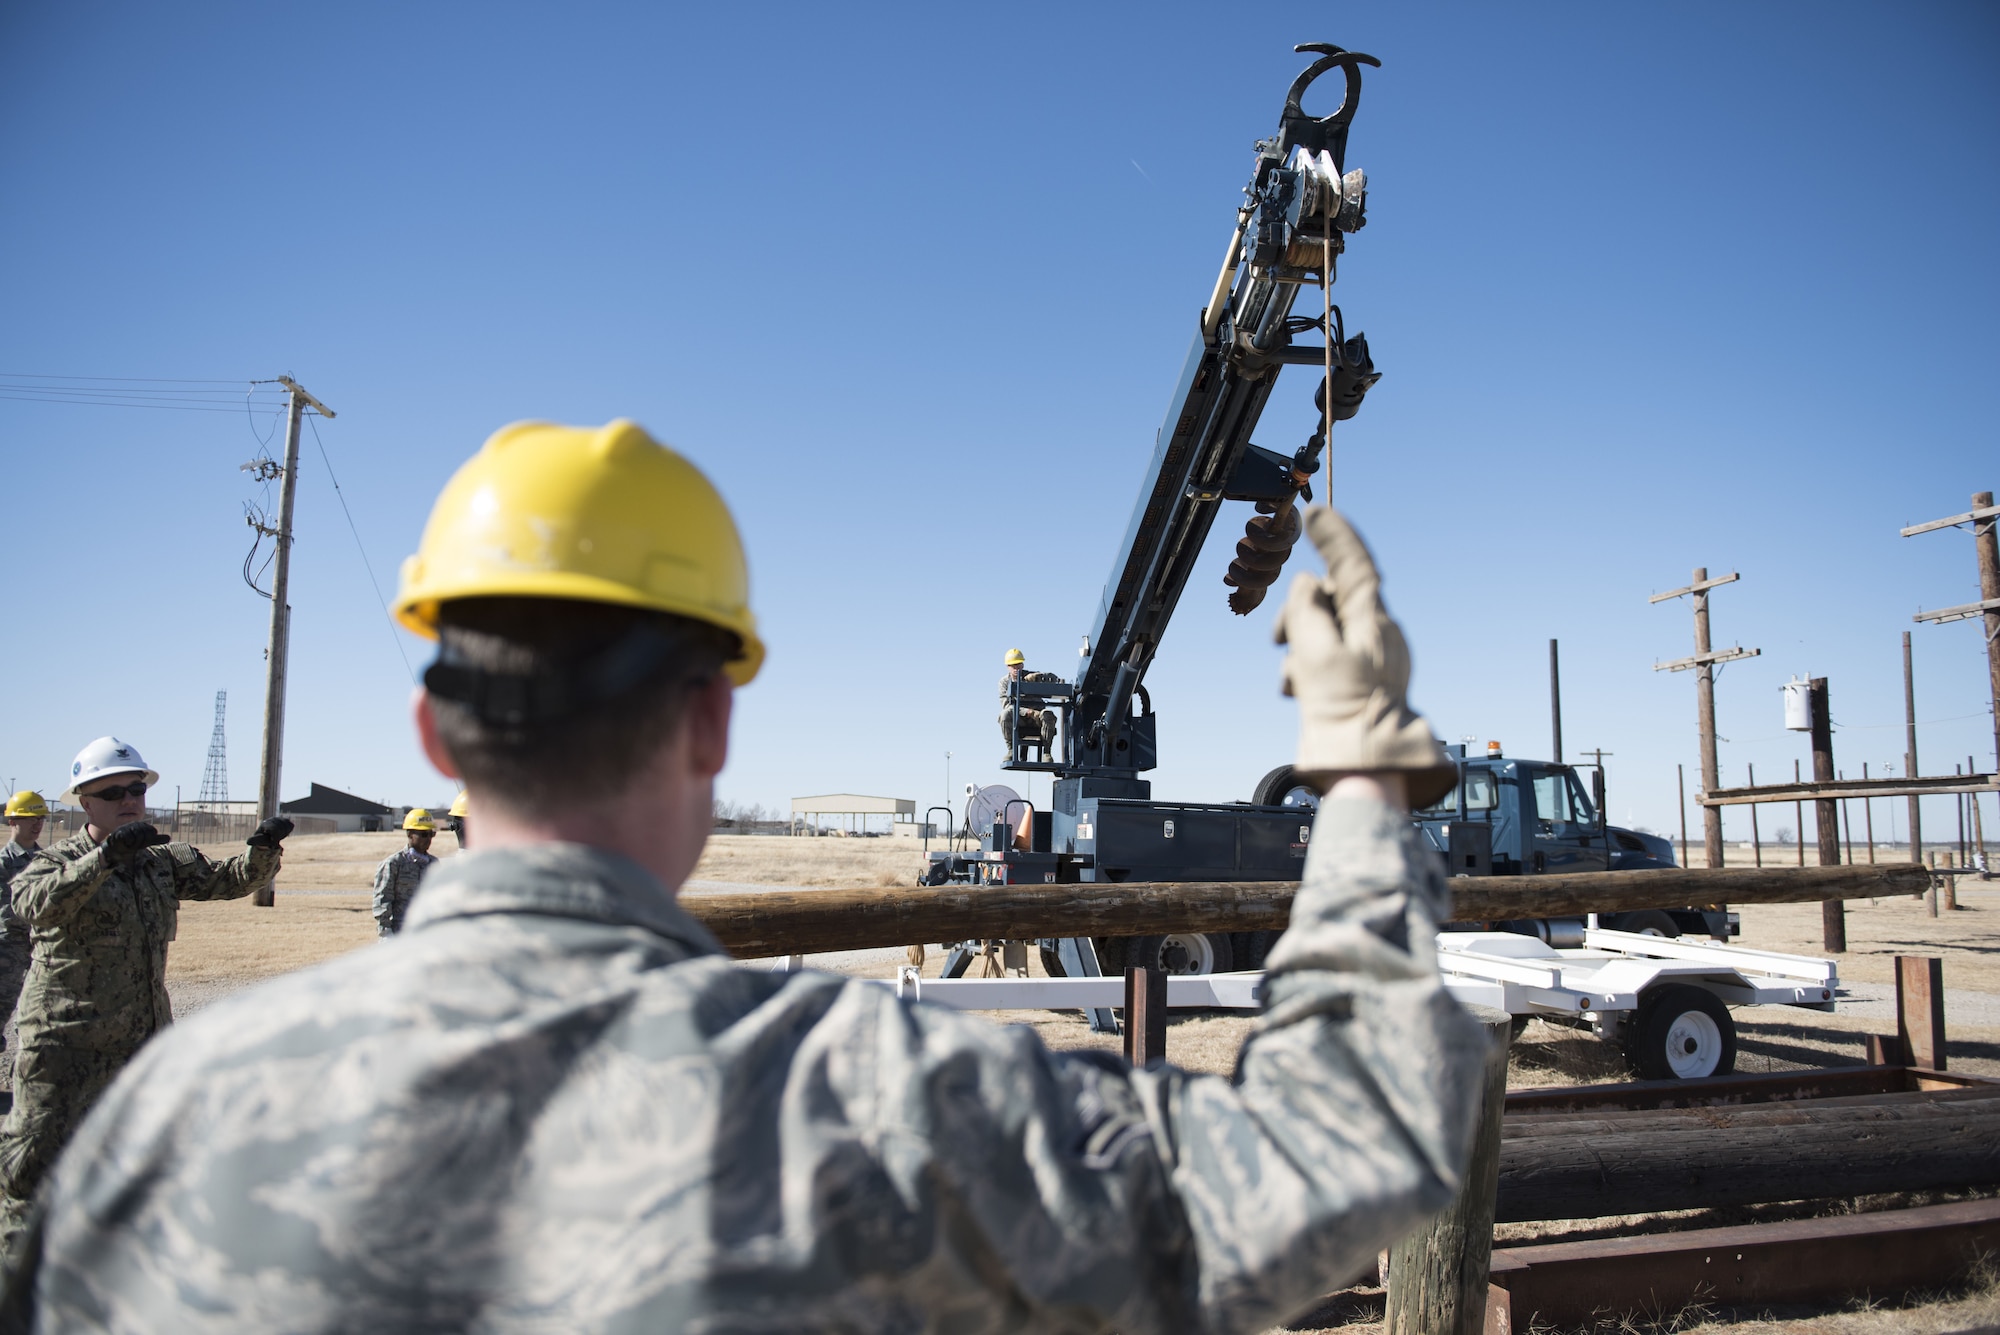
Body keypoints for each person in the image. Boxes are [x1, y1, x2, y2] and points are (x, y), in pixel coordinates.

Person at [0, 421, 1482, 1332]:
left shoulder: (165, 1131)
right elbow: (1334, 1150)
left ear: (433, 731)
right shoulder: (885, 1104)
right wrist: (1358, 774)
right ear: (715, 718)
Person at [0, 737, 289, 1252]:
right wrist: (105, 859)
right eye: (113, 792)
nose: (129, 798)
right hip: (66, 1049)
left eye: (136, 788)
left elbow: (228, 880)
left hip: (141, 1051)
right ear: (85, 803)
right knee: (32, 1181)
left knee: (137, 1179)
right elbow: (32, 903)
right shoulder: (57, 861)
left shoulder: (160, 861)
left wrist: (262, 848)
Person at [0, 794, 47, 1089]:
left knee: (34, 1020)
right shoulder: (3, 863)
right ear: (12, 821)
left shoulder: (47, 861)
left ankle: (23, 1085)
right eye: (31, 818)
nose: (38, 825)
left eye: (41, 818)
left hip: (39, 950)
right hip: (6, 949)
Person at [372, 808, 438, 935]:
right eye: (424, 834)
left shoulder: (434, 864)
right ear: (410, 834)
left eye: (431, 834)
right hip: (399, 933)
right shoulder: (393, 864)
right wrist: (385, 933)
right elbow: (382, 900)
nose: (428, 838)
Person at [997, 646, 1061, 756]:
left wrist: (1039, 677)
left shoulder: (1031, 676)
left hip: (1037, 718)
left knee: (1048, 715)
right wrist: (1026, 712)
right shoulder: (1004, 682)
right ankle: (1012, 750)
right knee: (1004, 715)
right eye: (1013, 665)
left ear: (1022, 664)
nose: (1016, 668)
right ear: (1008, 666)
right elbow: (1006, 705)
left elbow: (1054, 679)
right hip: (1019, 718)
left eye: (1018, 664)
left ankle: (1046, 752)